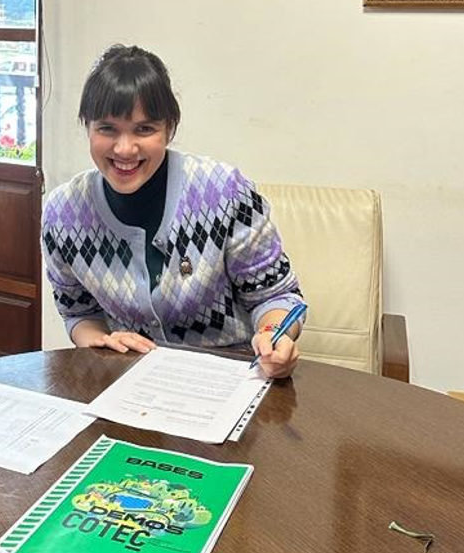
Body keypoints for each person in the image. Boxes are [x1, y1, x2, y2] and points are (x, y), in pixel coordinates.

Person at [42, 44, 305, 378]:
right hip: (132, 382)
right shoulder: (63, 214)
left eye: (144, 129)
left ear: (169, 128)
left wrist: (272, 337)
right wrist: (101, 341)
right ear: (87, 127)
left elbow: (277, 296)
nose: (124, 148)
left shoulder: (224, 191)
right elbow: (78, 312)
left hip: (232, 379)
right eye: (107, 128)